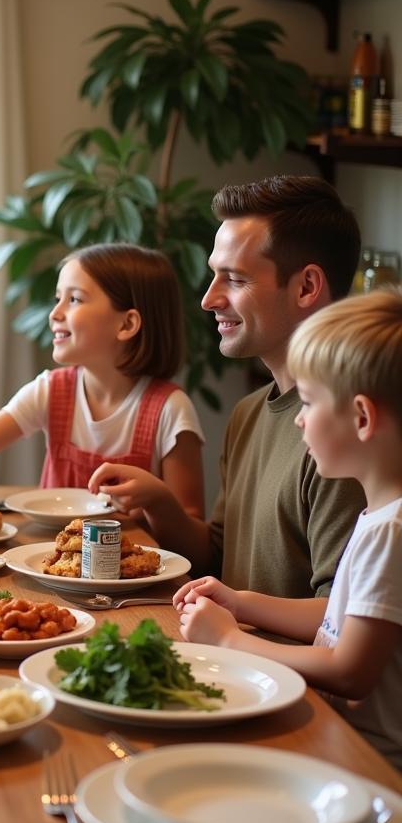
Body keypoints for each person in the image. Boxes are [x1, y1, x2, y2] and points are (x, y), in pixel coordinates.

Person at [87, 176, 366, 598]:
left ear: (307, 287)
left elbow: (338, 619)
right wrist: (160, 502)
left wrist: (234, 616)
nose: (208, 299)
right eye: (214, 276)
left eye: (234, 279)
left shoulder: (347, 430)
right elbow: (218, 557)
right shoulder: (248, 413)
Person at [177, 286, 402, 768]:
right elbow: (339, 620)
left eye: (310, 402)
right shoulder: (379, 514)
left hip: (368, 759)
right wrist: (242, 603)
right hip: (340, 736)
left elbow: (349, 670)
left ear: (362, 417)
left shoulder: (392, 531)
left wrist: (231, 641)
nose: (298, 421)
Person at [0, 243, 205, 517]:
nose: (55, 313)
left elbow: (191, 528)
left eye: (75, 299)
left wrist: (158, 504)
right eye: (58, 299)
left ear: (126, 324)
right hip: (53, 560)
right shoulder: (51, 390)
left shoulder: (171, 409)